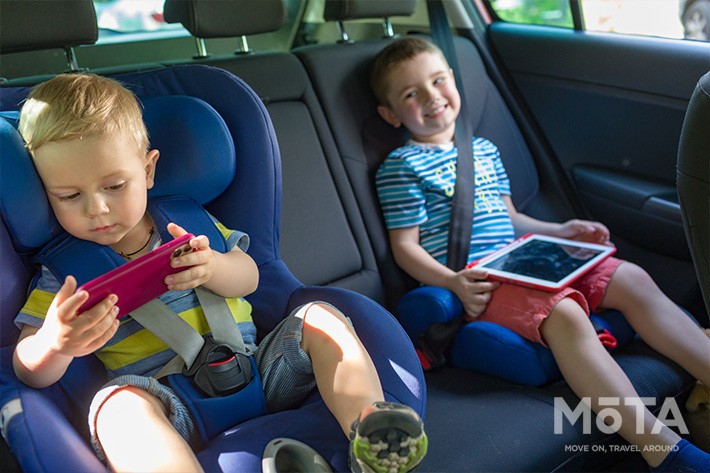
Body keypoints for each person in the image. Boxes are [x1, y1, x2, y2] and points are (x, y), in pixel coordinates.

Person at [12, 73, 427, 473]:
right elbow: (26, 368)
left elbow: (250, 277)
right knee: (118, 408)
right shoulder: (63, 276)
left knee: (320, 316)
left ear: (149, 170)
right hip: (168, 400)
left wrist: (214, 266)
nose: (97, 209)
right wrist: (56, 342)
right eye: (69, 196)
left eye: (115, 186)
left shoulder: (191, 224)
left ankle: (370, 425)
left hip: (258, 370)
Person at [371, 37, 709, 472]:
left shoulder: (484, 151)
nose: (432, 97)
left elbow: (510, 219)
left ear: (452, 81)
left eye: (437, 82)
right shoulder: (402, 167)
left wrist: (561, 231)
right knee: (565, 313)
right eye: (411, 94)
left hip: (526, 258)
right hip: (478, 279)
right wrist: (452, 282)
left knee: (632, 278)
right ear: (390, 114)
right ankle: (664, 450)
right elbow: (405, 248)